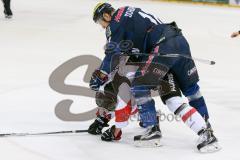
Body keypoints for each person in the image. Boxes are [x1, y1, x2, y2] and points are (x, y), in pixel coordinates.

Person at [90, 2, 220, 152]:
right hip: (179, 39)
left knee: (139, 87)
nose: (102, 26)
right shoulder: (130, 13)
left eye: (100, 22)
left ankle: (153, 130)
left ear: (106, 15)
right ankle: (205, 127)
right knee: (191, 90)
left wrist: (101, 74)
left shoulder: (115, 24)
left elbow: (113, 53)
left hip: (162, 48)